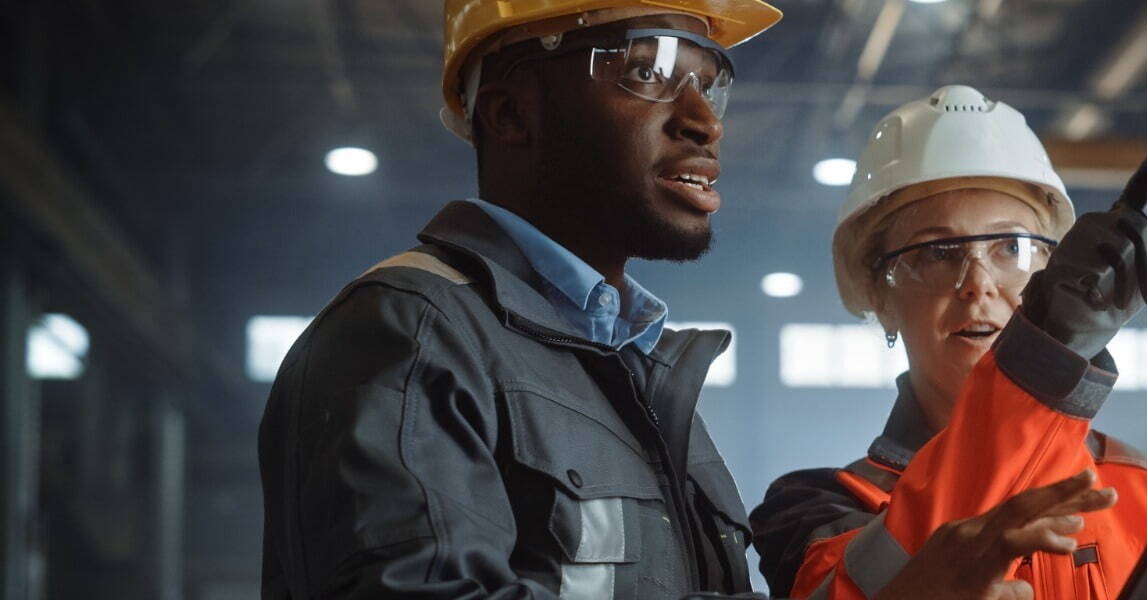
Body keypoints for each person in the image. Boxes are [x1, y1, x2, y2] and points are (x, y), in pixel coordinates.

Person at [256, 1, 782, 597]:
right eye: (645, 73)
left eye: (709, 87)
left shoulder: (634, 370)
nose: (705, 122)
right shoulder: (412, 332)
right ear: (510, 115)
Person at [749, 85, 1147, 600]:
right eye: (936, 252)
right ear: (880, 295)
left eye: (1011, 247)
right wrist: (1047, 356)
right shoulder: (819, 511)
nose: (978, 283)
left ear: (1057, 270)